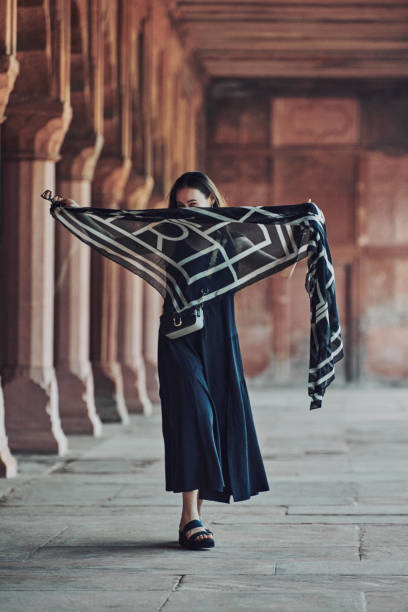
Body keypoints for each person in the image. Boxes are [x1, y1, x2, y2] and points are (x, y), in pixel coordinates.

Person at [157, 172, 270, 550]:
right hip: (178, 340)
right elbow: (122, 226)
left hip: (220, 339)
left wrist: (304, 217)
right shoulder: (166, 237)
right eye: (179, 206)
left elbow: (274, 241)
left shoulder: (232, 240)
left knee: (215, 421)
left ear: (211, 203)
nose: (185, 212)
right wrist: (79, 214)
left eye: (193, 205)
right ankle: (191, 515)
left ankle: (194, 517)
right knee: (195, 415)